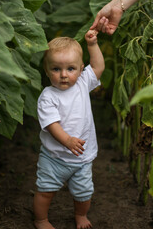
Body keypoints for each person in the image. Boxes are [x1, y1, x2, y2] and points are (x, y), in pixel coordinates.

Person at [33, 29, 105, 229]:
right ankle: (41, 219)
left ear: (81, 69)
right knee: (45, 190)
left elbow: (98, 67)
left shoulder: (82, 83)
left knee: (83, 193)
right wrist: (67, 141)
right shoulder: (48, 96)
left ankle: (80, 216)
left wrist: (92, 45)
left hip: (82, 158)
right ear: (46, 71)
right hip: (54, 157)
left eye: (71, 69)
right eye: (56, 69)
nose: (64, 75)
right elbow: (51, 125)